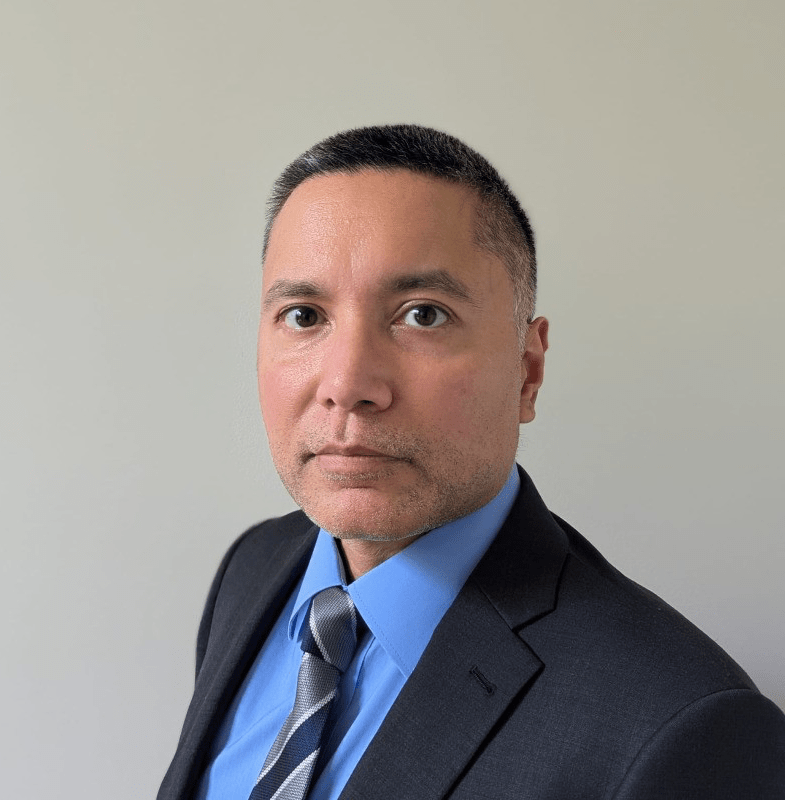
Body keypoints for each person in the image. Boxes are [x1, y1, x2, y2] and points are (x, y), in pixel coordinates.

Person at [158, 125, 785, 800]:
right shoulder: (254, 571)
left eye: (422, 315)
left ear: (528, 370)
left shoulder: (685, 730)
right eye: (304, 315)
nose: (347, 382)